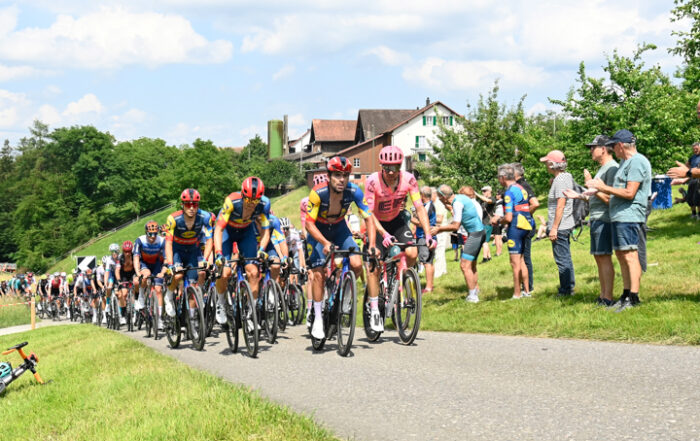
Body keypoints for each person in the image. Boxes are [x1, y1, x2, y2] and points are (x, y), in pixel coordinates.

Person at [305, 156, 379, 339]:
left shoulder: (354, 191)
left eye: (345, 175)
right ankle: (318, 320)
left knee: (356, 263)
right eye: (337, 175)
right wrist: (324, 243)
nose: (341, 179)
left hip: (340, 229)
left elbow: (368, 218)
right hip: (318, 231)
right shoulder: (318, 193)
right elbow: (309, 224)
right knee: (319, 274)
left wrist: (370, 245)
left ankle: (345, 299)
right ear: (329, 176)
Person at [587, 129, 651, 311]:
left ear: (620, 145)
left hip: (629, 216)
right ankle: (625, 293)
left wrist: (602, 187)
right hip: (620, 216)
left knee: (630, 255)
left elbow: (630, 193)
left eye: (613, 146)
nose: (613, 150)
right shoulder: (626, 162)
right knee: (622, 255)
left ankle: (634, 296)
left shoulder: (637, 162)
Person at [565, 135, 619, 306]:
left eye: (593, 147)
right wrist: (580, 196)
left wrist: (593, 187)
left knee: (604, 257)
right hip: (596, 218)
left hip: (605, 219)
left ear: (603, 149)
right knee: (599, 257)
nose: (590, 151)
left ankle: (608, 297)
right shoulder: (603, 169)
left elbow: (612, 199)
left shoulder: (612, 169)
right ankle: (603, 295)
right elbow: (597, 196)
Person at [213, 177, 271, 325]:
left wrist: (262, 249)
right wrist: (219, 253)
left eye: (255, 201)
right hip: (227, 231)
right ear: (243, 195)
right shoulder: (231, 201)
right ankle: (220, 302)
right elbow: (219, 229)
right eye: (249, 200)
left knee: (254, 272)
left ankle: (251, 314)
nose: (252, 204)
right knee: (225, 272)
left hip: (246, 233)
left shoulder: (263, 205)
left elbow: (265, 230)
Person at [164, 188, 215, 319]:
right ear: (182, 205)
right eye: (188, 204)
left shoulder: (205, 217)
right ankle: (168, 296)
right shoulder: (173, 219)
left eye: (195, 205)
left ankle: (192, 319)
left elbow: (210, 240)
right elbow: (168, 243)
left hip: (193, 250)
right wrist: (170, 264)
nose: (191, 208)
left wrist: (205, 258)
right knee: (178, 275)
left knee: (193, 284)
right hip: (177, 251)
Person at [433, 185, 485, 302]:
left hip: (475, 235)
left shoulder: (457, 203)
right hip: (480, 232)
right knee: (472, 265)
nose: (439, 200)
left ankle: (473, 296)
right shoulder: (460, 198)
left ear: (443, 196)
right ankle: (475, 290)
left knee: (464, 266)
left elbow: (455, 225)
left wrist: (439, 229)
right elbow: (460, 212)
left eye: (439, 197)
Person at [495, 164, 535, 299]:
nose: (498, 180)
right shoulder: (521, 188)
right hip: (527, 225)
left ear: (503, 177)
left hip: (516, 228)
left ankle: (517, 293)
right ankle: (527, 291)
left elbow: (508, 217)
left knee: (515, 262)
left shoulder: (509, 192)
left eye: (499, 177)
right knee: (522, 260)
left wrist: (499, 221)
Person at [541, 150, 576, 297]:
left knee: (562, 259)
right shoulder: (566, 177)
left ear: (552, 164)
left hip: (560, 226)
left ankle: (566, 290)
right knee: (565, 257)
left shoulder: (560, 180)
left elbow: (560, 204)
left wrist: (554, 227)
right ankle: (569, 286)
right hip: (566, 224)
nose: (546, 166)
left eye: (547, 163)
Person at [133, 220, 167, 327]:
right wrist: (138, 272)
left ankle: (160, 318)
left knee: (158, 289)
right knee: (145, 275)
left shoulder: (161, 241)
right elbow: (136, 258)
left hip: (156, 264)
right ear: (146, 232)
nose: (152, 236)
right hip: (144, 263)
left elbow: (166, 258)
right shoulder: (140, 240)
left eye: (155, 234)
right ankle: (141, 297)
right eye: (150, 234)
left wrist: (163, 272)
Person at [512, 163, 540, 293]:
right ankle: (525, 286)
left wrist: (523, 216)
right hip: (522, 225)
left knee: (524, 257)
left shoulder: (522, 186)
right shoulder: (519, 185)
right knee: (521, 257)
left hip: (524, 226)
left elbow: (535, 203)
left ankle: (528, 287)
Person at [412, 186, 437, 293]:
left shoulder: (427, 207)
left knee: (426, 262)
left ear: (422, 195)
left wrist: (412, 219)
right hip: (427, 236)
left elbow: (423, 223)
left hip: (424, 237)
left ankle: (428, 287)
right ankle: (430, 285)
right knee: (429, 262)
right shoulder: (429, 205)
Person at [114, 240, 137, 325]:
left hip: (132, 273)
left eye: (129, 251)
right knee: (123, 294)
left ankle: (135, 311)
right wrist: (119, 280)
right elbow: (117, 270)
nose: (127, 253)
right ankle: (123, 315)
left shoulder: (134, 256)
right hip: (123, 275)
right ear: (123, 251)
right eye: (126, 251)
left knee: (135, 290)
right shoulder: (120, 258)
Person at [475, 185, 496, 263]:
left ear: (490, 191)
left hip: (488, 222)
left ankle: (485, 258)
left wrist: (476, 194)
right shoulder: (481, 201)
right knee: (485, 240)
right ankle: (489, 257)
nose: (483, 192)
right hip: (482, 222)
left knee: (484, 241)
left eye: (485, 191)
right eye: (482, 191)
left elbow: (488, 201)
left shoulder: (492, 199)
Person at [431, 188, 448, 279]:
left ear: (435, 194)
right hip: (438, 230)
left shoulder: (438, 204)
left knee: (438, 252)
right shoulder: (434, 204)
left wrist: (427, 218)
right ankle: (444, 270)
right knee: (440, 251)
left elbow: (439, 220)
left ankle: (438, 272)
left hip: (440, 230)